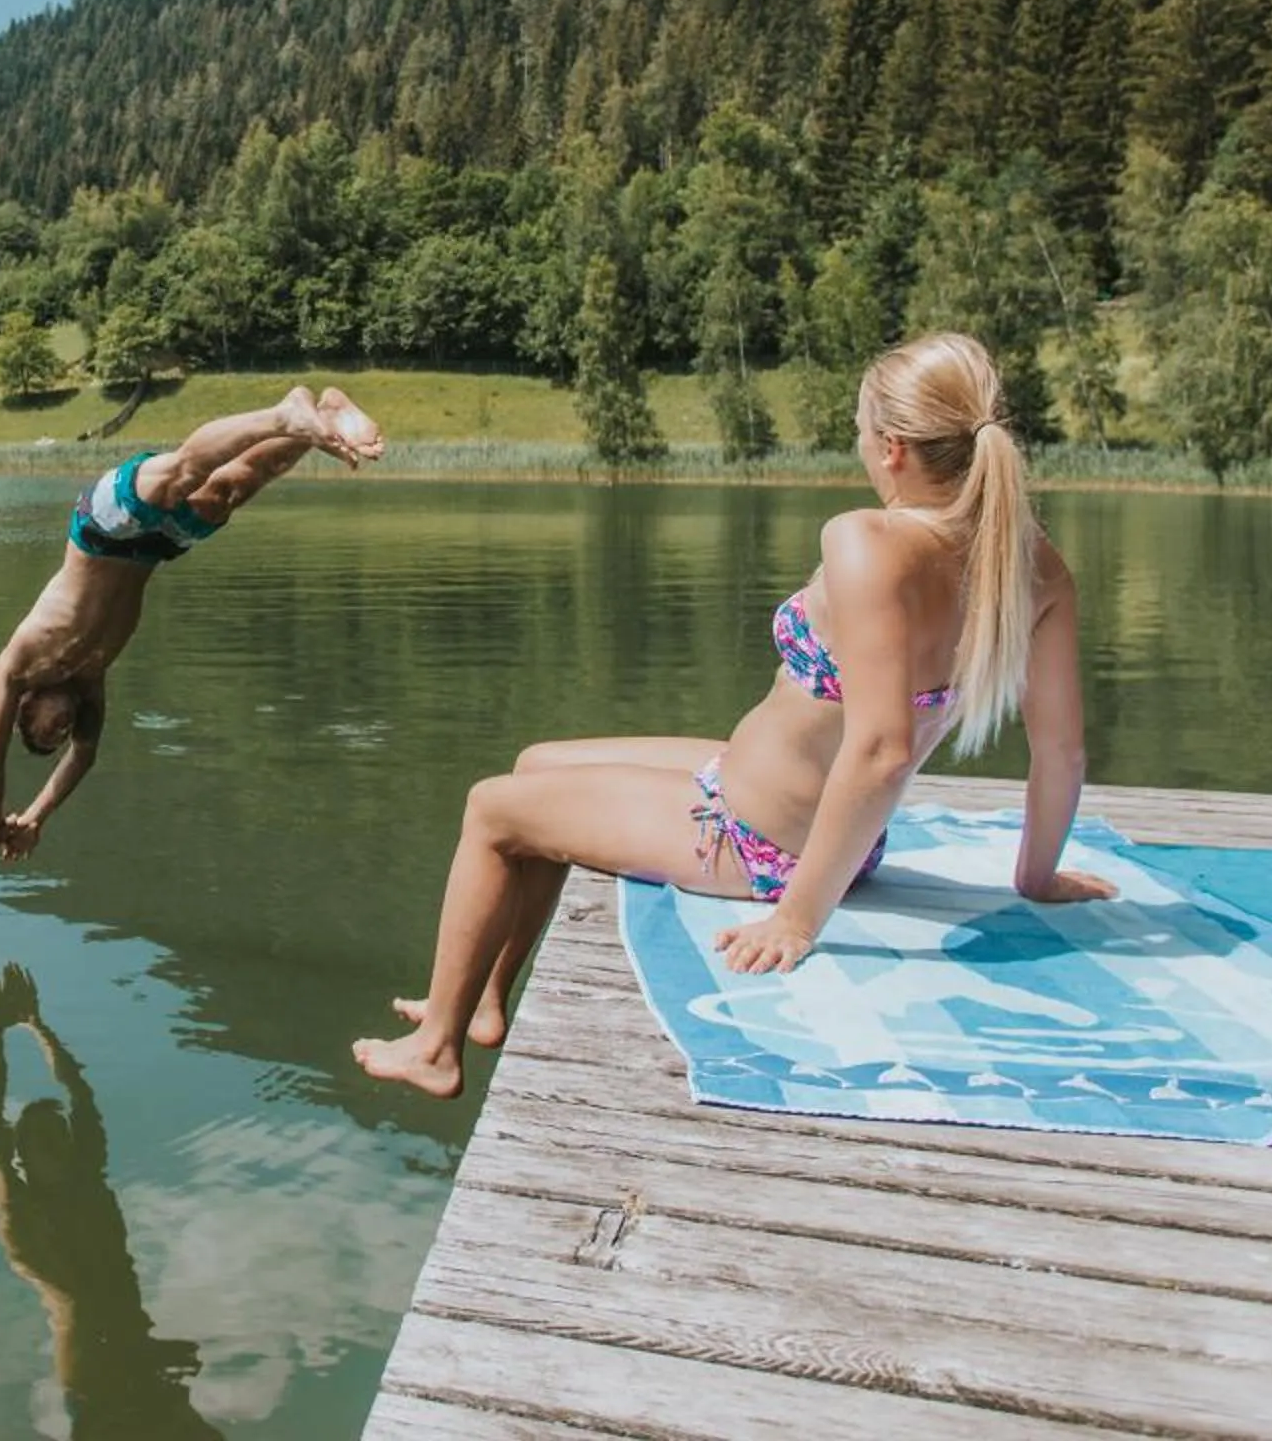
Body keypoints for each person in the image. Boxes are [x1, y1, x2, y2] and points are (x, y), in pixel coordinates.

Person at [353, 332, 1116, 1100]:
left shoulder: (869, 543)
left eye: (857, 432)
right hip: (805, 818)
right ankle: (481, 999)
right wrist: (1036, 876)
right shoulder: (1032, 562)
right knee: (538, 763)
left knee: (491, 808)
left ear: (890, 449)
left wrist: (796, 918)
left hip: (755, 844)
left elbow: (881, 751)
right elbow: (1063, 755)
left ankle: (435, 1045)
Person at [0, 386, 383, 858]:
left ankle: (285, 413)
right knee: (229, 491)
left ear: (25, 711)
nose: (62, 731)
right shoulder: (90, 680)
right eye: (59, 737)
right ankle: (318, 418)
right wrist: (35, 818)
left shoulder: (17, 667)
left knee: (182, 473)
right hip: (153, 548)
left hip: (100, 530)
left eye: (46, 730)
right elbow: (83, 757)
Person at [0, 966, 220, 1439]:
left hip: (139, 1354)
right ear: (23, 1156)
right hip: (96, 1381)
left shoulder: (88, 1184)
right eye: (44, 1142)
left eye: (61, 1137)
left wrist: (37, 1025)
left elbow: (80, 1093)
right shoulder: (24, 1218)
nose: (60, 1146)